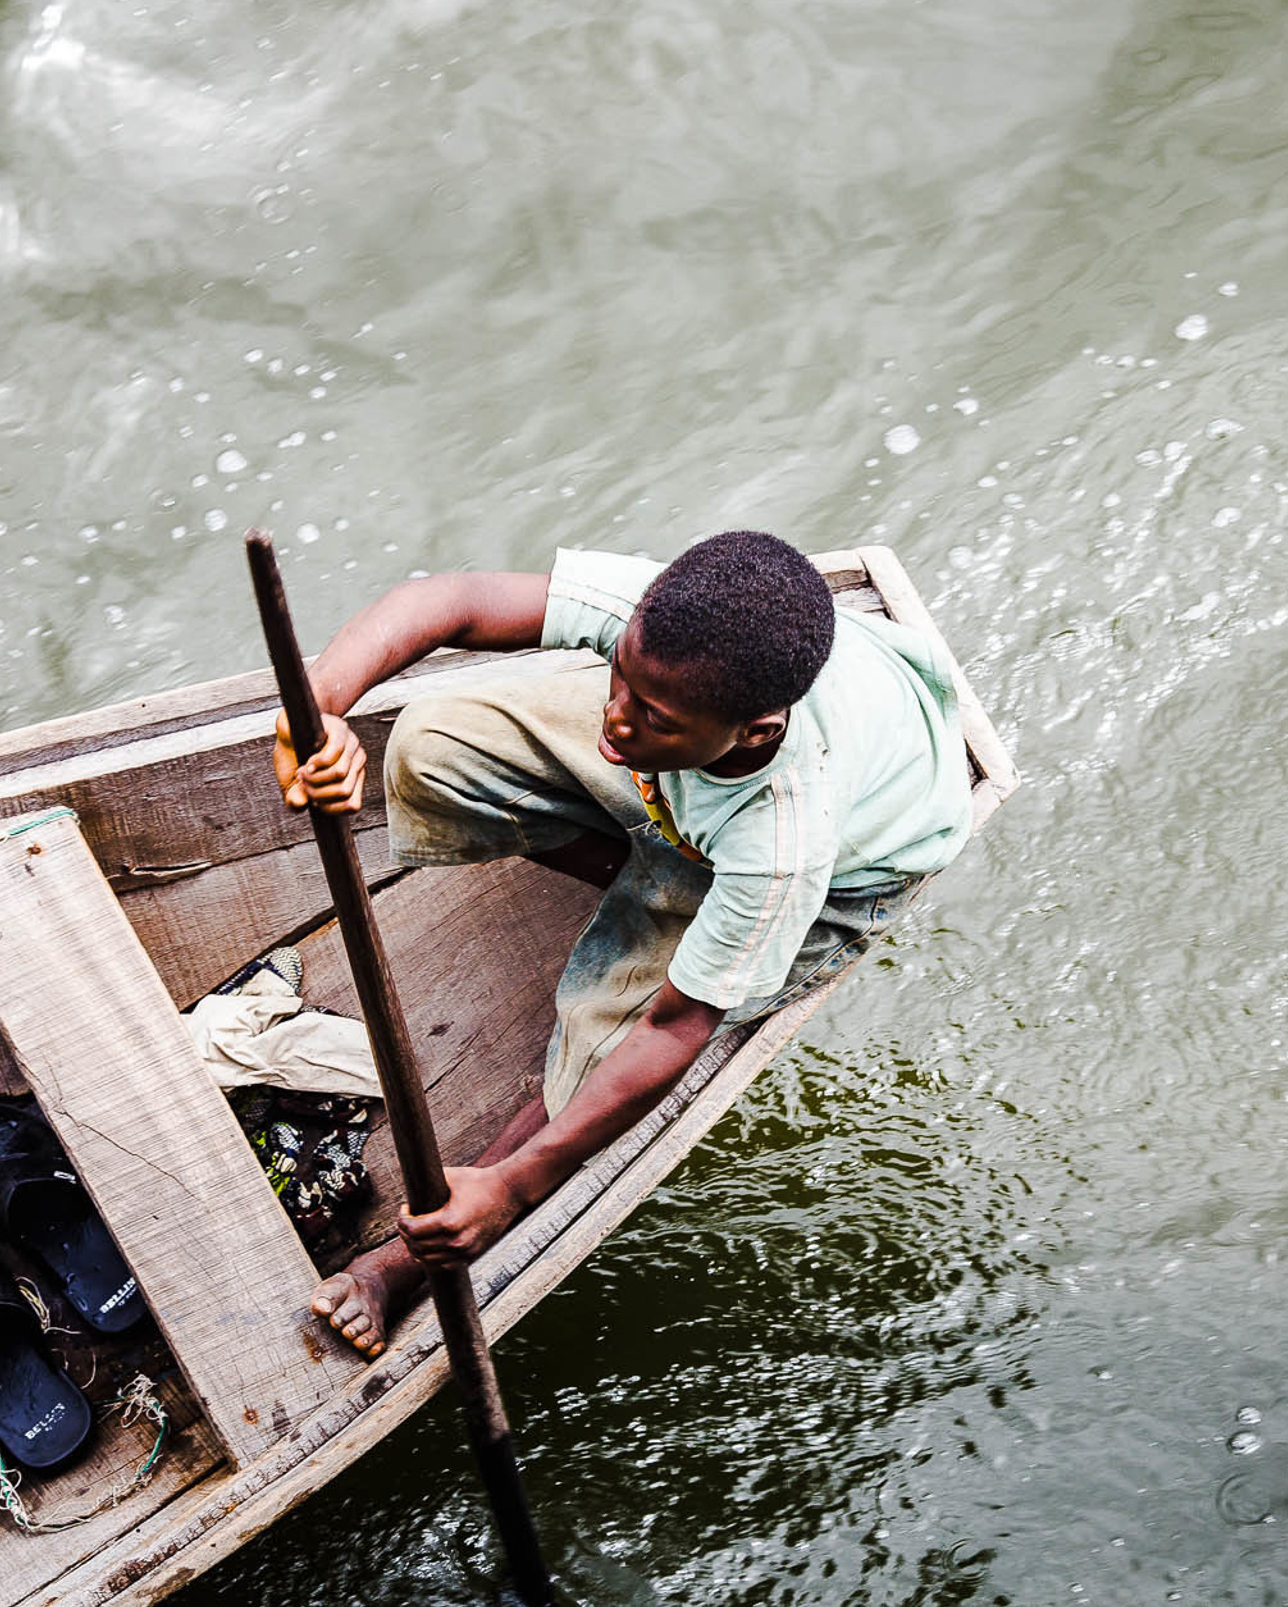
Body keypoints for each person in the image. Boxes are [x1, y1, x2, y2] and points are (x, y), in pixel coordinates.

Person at [275, 531, 974, 1355]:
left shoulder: (784, 840)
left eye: (651, 714)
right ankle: (651, 873)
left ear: (751, 733)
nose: (613, 719)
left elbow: (675, 1028)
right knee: (429, 751)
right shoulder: (665, 633)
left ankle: (401, 1266)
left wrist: (508, 1188)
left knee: (597, 1067)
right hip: (721, 770)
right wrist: (319, 706)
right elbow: (451, 600)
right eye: (621, 679)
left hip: (857, 857)